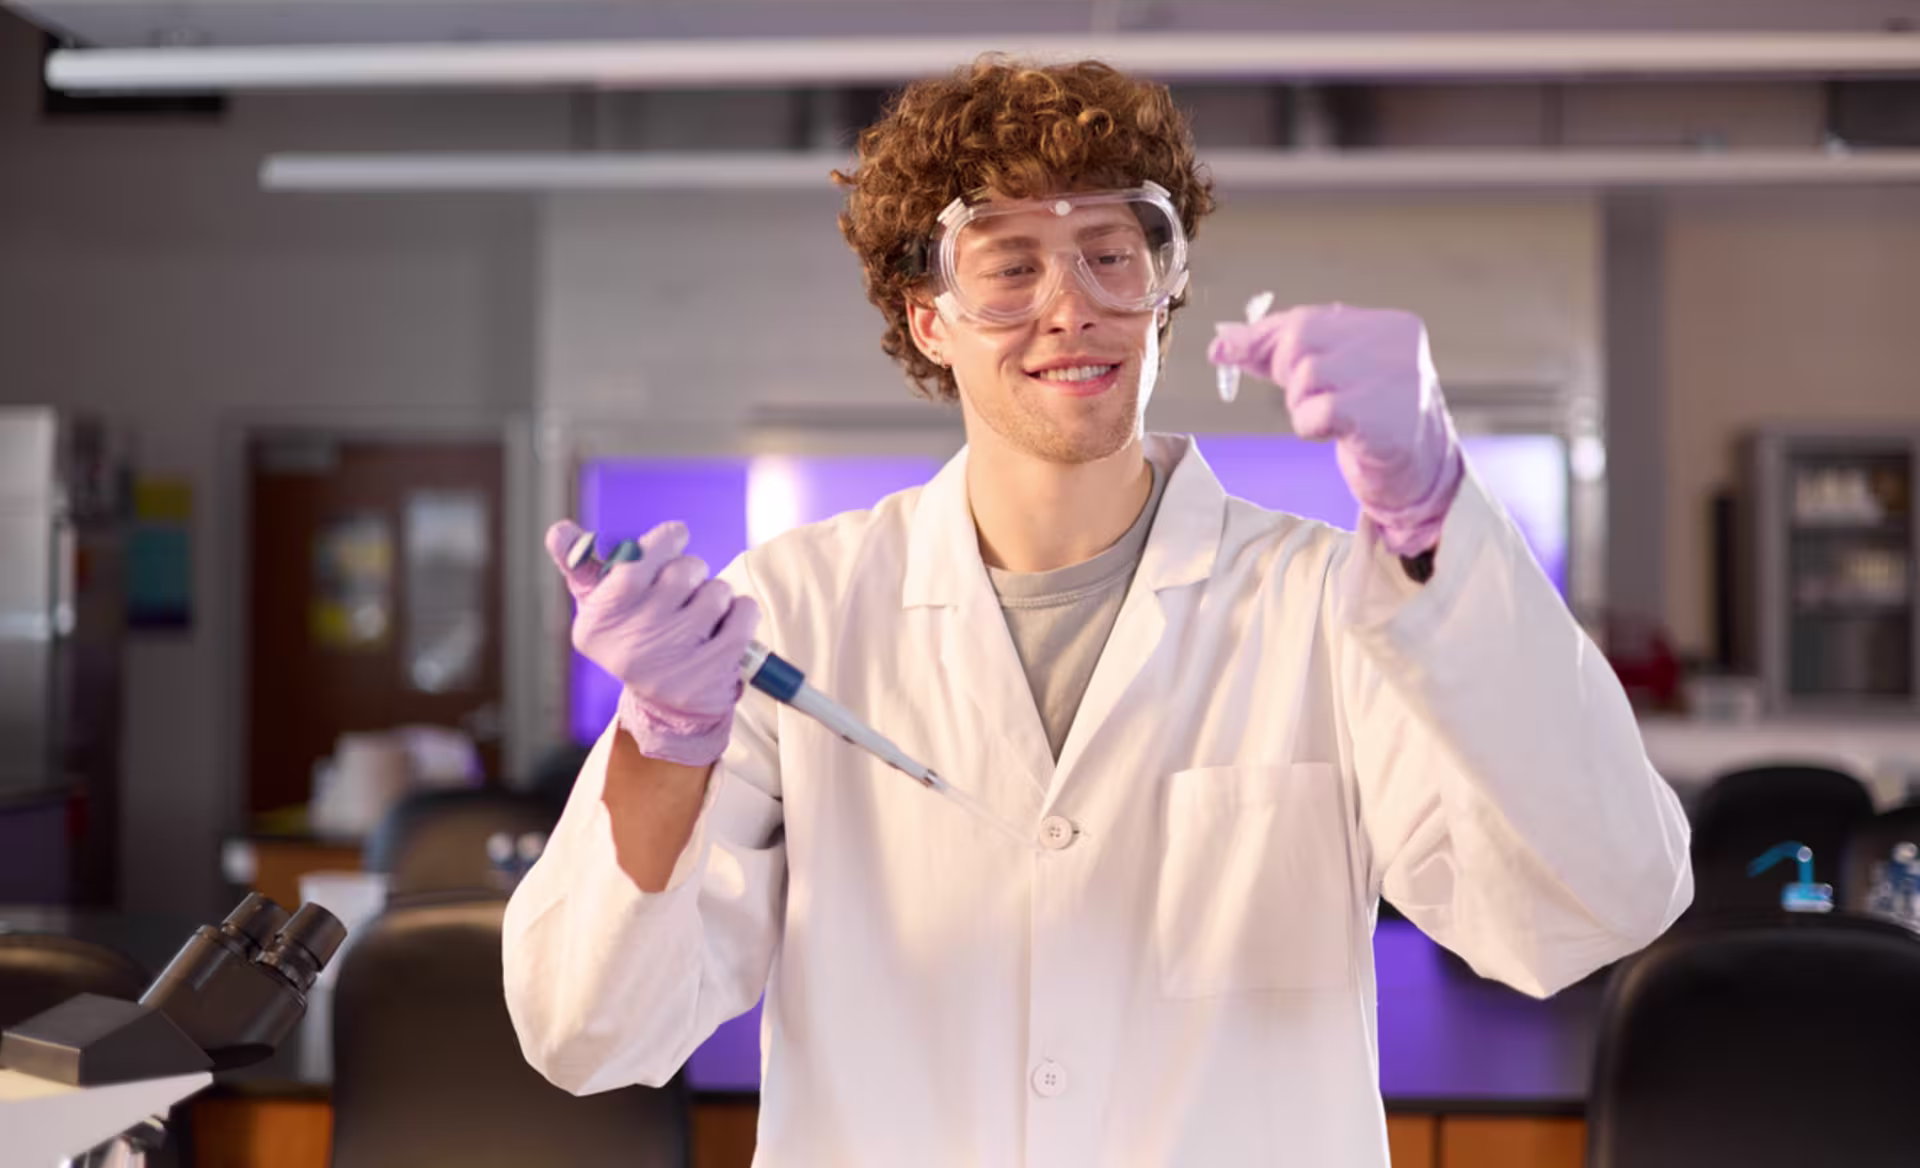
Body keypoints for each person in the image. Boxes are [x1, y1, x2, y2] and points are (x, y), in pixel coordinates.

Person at [504, 58, 1692, 1165]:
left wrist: (1439, 517)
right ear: (930, 316)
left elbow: (1594, 904)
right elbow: (589, 1030)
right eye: (1010, 262)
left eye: (1114, 254)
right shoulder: (796, 612)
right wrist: (664, 740)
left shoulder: (1328, 606)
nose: (1069, 306)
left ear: (1166, 295)